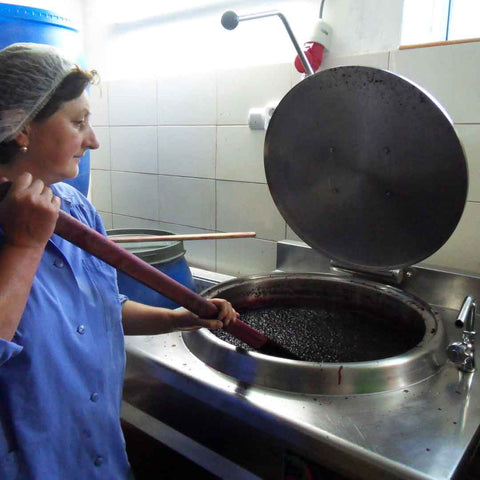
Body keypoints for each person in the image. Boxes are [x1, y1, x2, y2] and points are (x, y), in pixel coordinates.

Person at [0, 43, 238, 480]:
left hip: (99, 455)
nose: (93, 140)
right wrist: (24, 247)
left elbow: (100, 306)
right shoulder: (15, 233)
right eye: (78, 123)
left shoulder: (72, 207)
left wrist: (174, 318)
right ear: (23, 128)